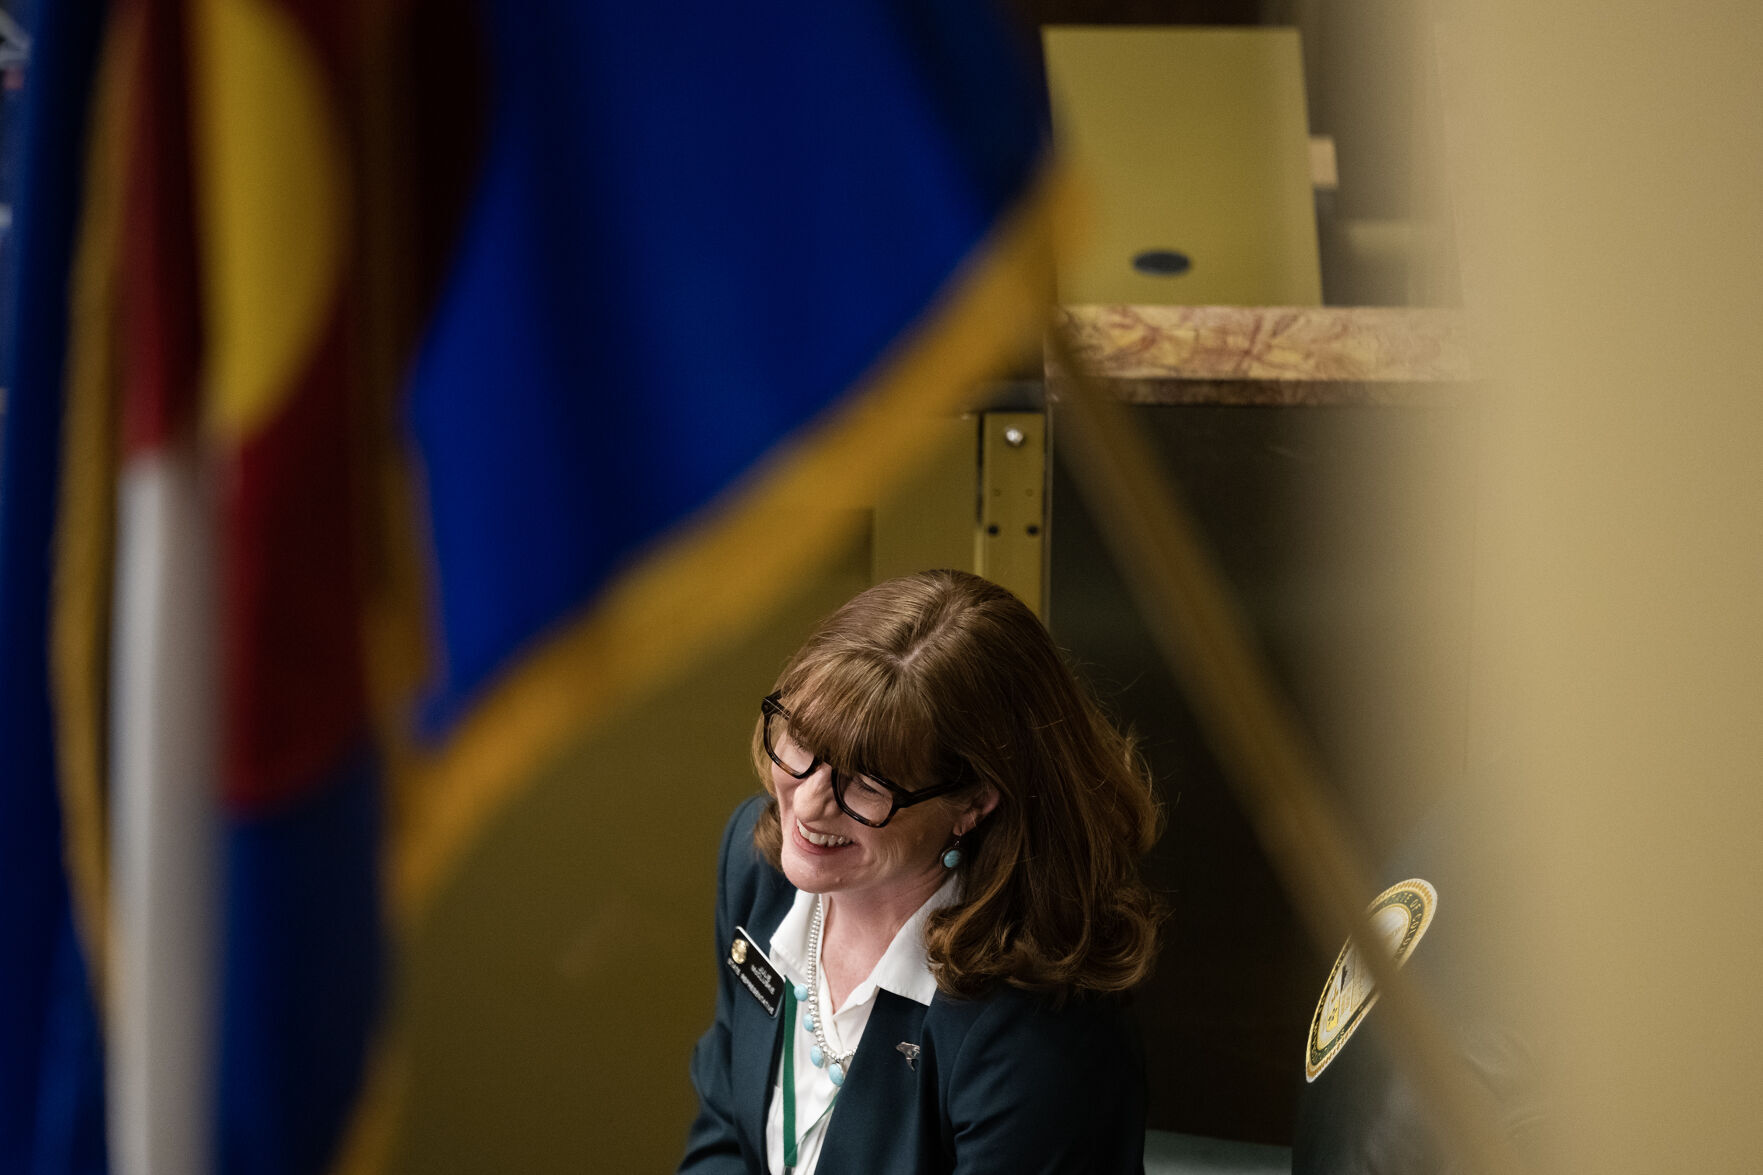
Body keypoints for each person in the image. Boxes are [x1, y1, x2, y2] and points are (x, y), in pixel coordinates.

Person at [679, 569, 1164, 1175]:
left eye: (866, 781)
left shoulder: (1037, 1030)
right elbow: (726, 1130)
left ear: (973, 802)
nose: (807, 804)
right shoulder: (758, 870)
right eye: (801, 741)